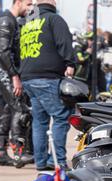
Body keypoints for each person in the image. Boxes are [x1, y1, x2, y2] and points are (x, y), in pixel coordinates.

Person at [20, 0, 75, 171]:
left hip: (28, 77)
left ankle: (41, 161)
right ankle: (57, 161)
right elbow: (64, 43)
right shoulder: (54, 19)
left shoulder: (30, 22)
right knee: (61, 116)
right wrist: (71, 63)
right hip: (47, 77)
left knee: (40, 121)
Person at [0, 0, 33, 167]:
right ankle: (18, 154)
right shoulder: (6, 20)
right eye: (28, 4)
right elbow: (3, 52)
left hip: (2, 70)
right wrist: (15, 76)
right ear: (18, 2)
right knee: (20, 109)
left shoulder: (9, 20)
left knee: (8, 110)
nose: (30, 8)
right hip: (4, 71)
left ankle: (1, 153)